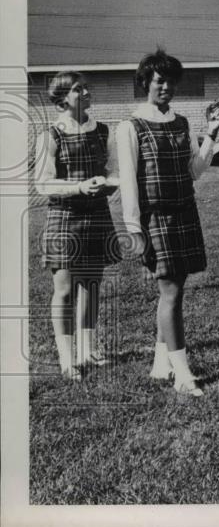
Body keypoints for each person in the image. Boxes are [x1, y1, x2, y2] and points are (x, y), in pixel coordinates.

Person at [116, 49, 219, 397]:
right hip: (155, 220)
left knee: (173, 292)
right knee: (172, 294)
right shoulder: (130, 126)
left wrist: (211, 133)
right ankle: (183, 375)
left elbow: (194, 171)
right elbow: (129, 183)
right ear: (145, 83)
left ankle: (160, 364)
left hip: (184, 212)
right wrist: (134, 229)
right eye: (159, 80)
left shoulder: (182, 123)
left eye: (170, 81)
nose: (166, 87)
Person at [34, 71, 120, 379]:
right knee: (65, 289)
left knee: (91, 286)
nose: (85, 93)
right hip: (64, 216)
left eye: (85, 88)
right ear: (61, 100)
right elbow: (43, 184)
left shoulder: (104, 131)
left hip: (96, 214)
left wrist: (109, 184)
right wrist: (79, 187)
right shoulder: (50, 135)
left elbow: (114, 171)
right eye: (76, 89)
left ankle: (88, 350)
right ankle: (67, 359)